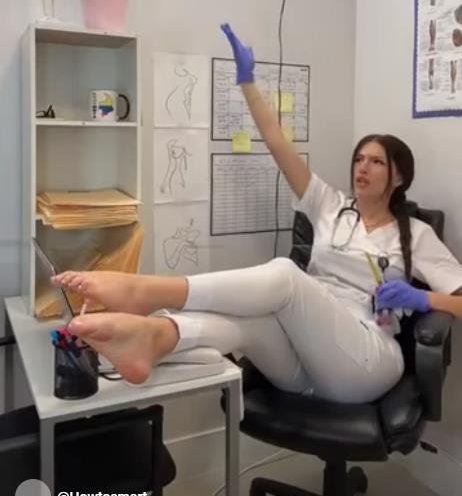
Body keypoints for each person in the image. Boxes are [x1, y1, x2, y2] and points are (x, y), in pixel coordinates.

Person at [52, 25, 462, 404]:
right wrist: (247, 83)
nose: (362, 168)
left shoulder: (417, 234)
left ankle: (148, 291)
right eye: (358, 159)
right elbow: (278, 143)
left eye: (376, 162)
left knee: (285, 274)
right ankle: (157, 335)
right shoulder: (330, 205)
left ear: (399, 176)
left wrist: (421, 297)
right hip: (306, 366)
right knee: (250, 323)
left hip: (367, 361)